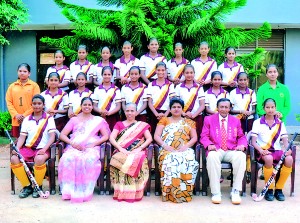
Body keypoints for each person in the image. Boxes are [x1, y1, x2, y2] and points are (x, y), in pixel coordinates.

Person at [58, 97, 109, 203]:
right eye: (85, 104)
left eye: (89, 105)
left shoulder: (98, 120)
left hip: (91, 147)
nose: (87, 107)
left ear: (92, 107)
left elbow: (105, 136)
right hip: (74, 145)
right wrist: (73, 143)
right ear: (81, 106)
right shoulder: (74, 119)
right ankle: (68, 190)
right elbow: (62, 135)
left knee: (89, 160)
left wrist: (94, 143)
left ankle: (85, 190)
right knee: (67, 158)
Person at [200, 98, 247, 205]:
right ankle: (216, 192)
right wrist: (209, 145)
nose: (224, 109)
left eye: (226, 107)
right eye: (221, 107)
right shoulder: (209, 119)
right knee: (212, 156)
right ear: (217, 107)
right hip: (216, 149)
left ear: (230, 108)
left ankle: (235, 191)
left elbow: (241, 136)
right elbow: (203, 136)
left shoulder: (236, 120)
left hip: (231, 149)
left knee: (241, 156)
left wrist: (242, 145)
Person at [10, 94, 56, 198]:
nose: (37, 106)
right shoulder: (27, 119)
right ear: (31, 105)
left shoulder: (49, 119)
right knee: (14, 158)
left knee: (39, 159)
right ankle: (27, 186)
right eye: (34, 104)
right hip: (28, 148)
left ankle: (37, 186)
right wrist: (17, 148)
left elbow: (52, 137)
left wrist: (44, 149)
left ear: (43, 105)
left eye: (39, 103)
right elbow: (22, 137)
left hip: (43, 148)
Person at [154, 98, 199, 203]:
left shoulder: (189, 122)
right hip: (167, 150)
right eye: (174, 107)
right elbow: (156, 136)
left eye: (179, 107)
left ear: (182, 109)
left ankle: (184, 193)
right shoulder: (164, 120)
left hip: (184, 149)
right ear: (170, 109)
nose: (176, 109)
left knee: (188, 159)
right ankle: (169, 193)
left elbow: (194, 138)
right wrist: (166, 146)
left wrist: (185, 146)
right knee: (171, 160)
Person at [109, 102, 152, 202]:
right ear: (124, 112)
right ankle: (121, 192)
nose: (129, 113)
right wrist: (120, 148)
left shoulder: (141, 125)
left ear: (136, 112)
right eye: (127, 111)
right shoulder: (119, 124)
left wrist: (140, 148)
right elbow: (112, 138)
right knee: (118, 159)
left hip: (137, 150)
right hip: (121, 150)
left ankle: (135, 193)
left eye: (132, 111)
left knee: (136, 160)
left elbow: (149, 138)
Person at [251, 98, 292, 201]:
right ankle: (269, 189)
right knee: (268, 159)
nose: (270, 109)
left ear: (276, 108)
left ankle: (279, 189)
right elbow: (253, 142)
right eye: (267, 107)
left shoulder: (280, 123)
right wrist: (261, 150)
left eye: (272, 107)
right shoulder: (257, 122)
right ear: (264, 109)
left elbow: (285, 140)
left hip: (277, 151)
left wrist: (288, 149)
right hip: (263, 150)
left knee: (289, 159)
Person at [6, 63, 40, 138]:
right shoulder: (12, 86)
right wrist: (16, 115)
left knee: (29, 142)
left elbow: (37, 103)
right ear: (17, 72)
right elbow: (9, 102)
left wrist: (24, 115)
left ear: (29, 73)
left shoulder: (34, 86)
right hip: (16, 120)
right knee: (16, 142)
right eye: (20, 71)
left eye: (25, 71)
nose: (22, 73)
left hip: (30, 119)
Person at [175, 64, 205, 138]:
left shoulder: (199, 87)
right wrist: (184, 114)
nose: (189, 75)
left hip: (197, 117)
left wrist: (193, 115)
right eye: (187, 73)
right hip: (182, 117)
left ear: (194, 74)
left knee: (197, 137)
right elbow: (175, 104)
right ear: (183, 74)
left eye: (191, 73)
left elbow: (202, 105)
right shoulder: (178, 87)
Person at [148, 62, 176, 135]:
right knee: (153, 131)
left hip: (167, 112)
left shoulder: (170, 85)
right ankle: (154, 144)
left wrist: (165, 115)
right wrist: (156, 114)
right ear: (155, 71)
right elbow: (149, 103)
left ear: (166, 71)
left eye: (163, 70)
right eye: (159, 70)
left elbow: (172, 102)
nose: (161, 72)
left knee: (166, 132)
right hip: (154, 113)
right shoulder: (151, 85)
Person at [93, 66, 122, 131]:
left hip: (113, 117)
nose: (107, 76)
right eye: (105, 74)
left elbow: (118, 106)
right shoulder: (97, 89)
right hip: (100, 116)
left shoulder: (116, 89)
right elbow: (94, 106)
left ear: (112, 75)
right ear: (102, 75)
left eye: (109, 74)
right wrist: (101, 111)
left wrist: (109, 113)